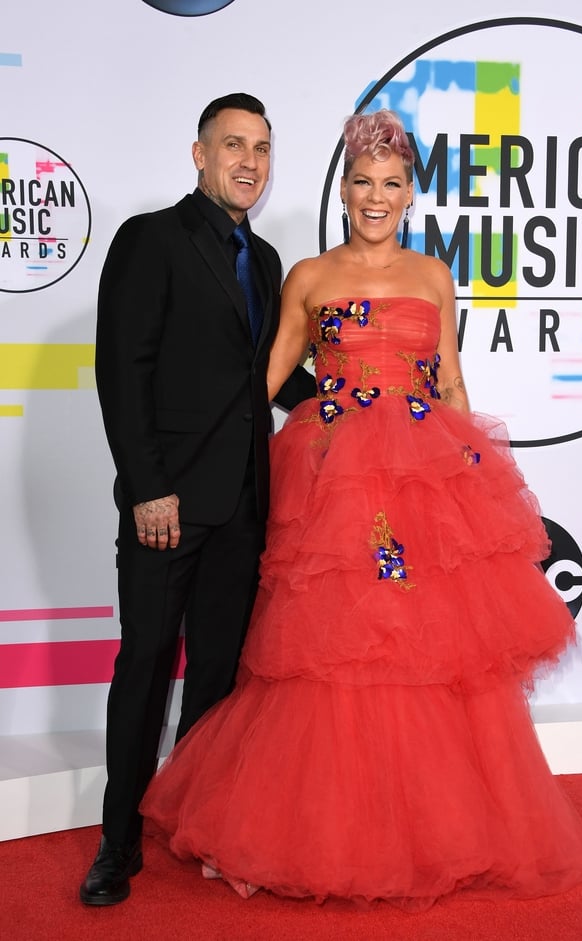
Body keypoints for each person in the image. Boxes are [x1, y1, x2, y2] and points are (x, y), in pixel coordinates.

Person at [140, 109, 582, 909]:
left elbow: (450, 383)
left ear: (411, 195)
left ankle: (433, 826)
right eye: (362, 183)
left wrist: (478, 479)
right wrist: (182, 438)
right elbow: (264, 376)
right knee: (334, 651)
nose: (375, 198)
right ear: (343, 189)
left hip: (421, 484)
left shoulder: (433, 277)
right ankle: (319, 826)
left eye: (391, 185)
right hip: (337, 482)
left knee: (425, 649)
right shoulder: (310, 277)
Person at [80, 92, 316, 907]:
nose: (249, 162)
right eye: (232, 146)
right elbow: (122, 370)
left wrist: (356, 401)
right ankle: (118, 840)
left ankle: (196, 820)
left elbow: (270, 375)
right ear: (199, 154)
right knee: (145, 666)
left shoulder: (273, 261)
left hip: (245, 507)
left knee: (216, 676)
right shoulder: (152, 238)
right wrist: (147, 488)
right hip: (168, 506)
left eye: (261, 148)